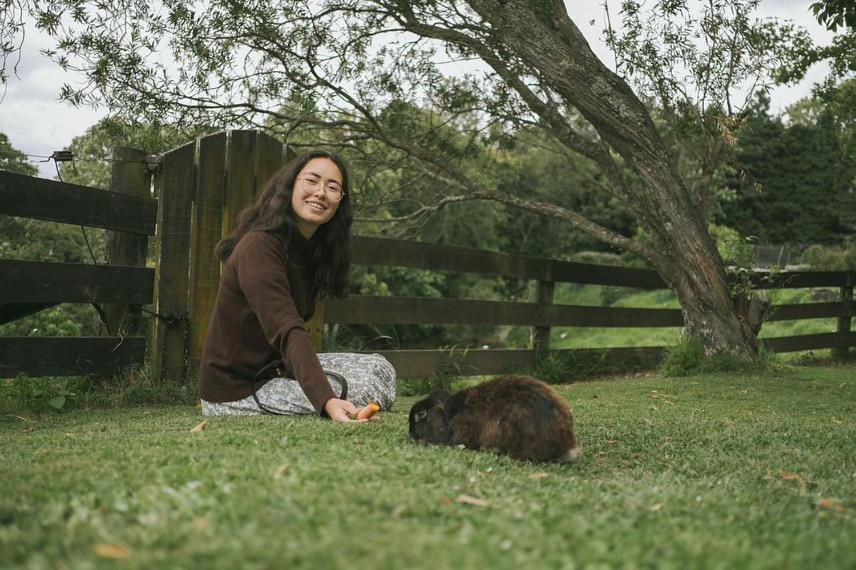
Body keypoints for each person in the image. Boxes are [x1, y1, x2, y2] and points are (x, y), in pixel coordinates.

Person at [198, 150, 396, 422]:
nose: (320, 192)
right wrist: (326, 400)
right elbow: (288, 329)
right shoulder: (259, 248)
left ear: (340, 201)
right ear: (290, 185)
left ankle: (350, 404)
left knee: (379, 367)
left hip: (274, 370)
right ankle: (346, 407)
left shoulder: (311, 251)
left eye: (332, 187)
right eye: (312, 180)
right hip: (236, 390)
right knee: (358, 389)